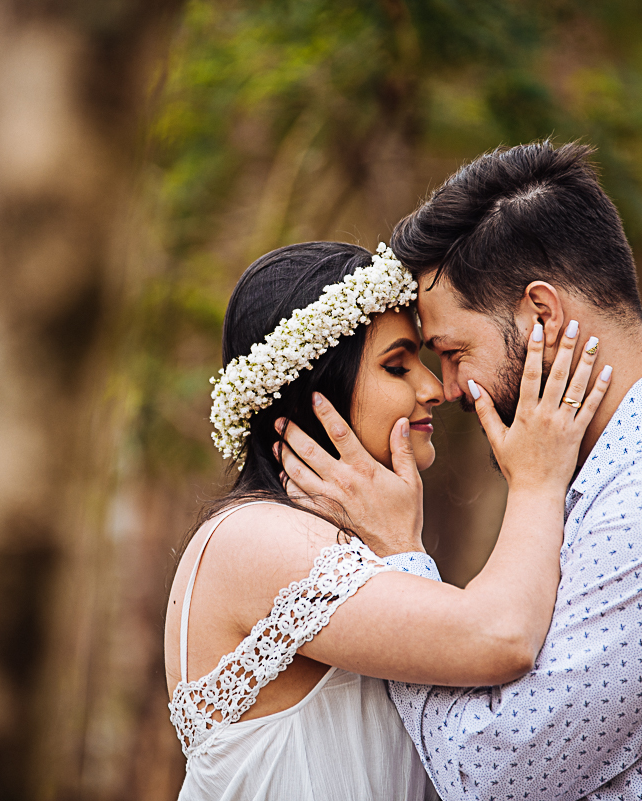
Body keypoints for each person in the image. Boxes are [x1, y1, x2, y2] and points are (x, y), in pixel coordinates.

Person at [278, 141, 642, 800]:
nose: (447, 387)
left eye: (453, 351)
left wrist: (400, 557)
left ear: (542, 315)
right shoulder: (621, 476)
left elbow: (492, 774)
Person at [165, 240, 612, 799]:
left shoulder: (339, 543)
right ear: (315, 388)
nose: (433, 388)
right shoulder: (251, 538)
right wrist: (537, 479)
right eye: (397, 365)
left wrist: (400, 543)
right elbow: (500, 637)